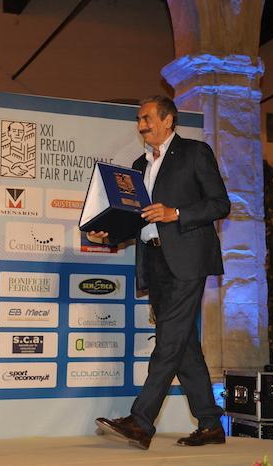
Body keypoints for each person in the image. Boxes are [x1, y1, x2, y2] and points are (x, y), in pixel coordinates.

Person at [90, 95, 230, 450]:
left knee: (168, 341)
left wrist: (175, 213)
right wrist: (110, 232)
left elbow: (220, 203)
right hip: (154, 261)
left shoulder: (195, 153)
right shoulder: (139, 165)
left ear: (168, 120)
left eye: (147, 118)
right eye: (139, 120)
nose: (141, 125)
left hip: (188, 259)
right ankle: (210, 424)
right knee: (183, 344)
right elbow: (137, 217)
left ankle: (141, 420)